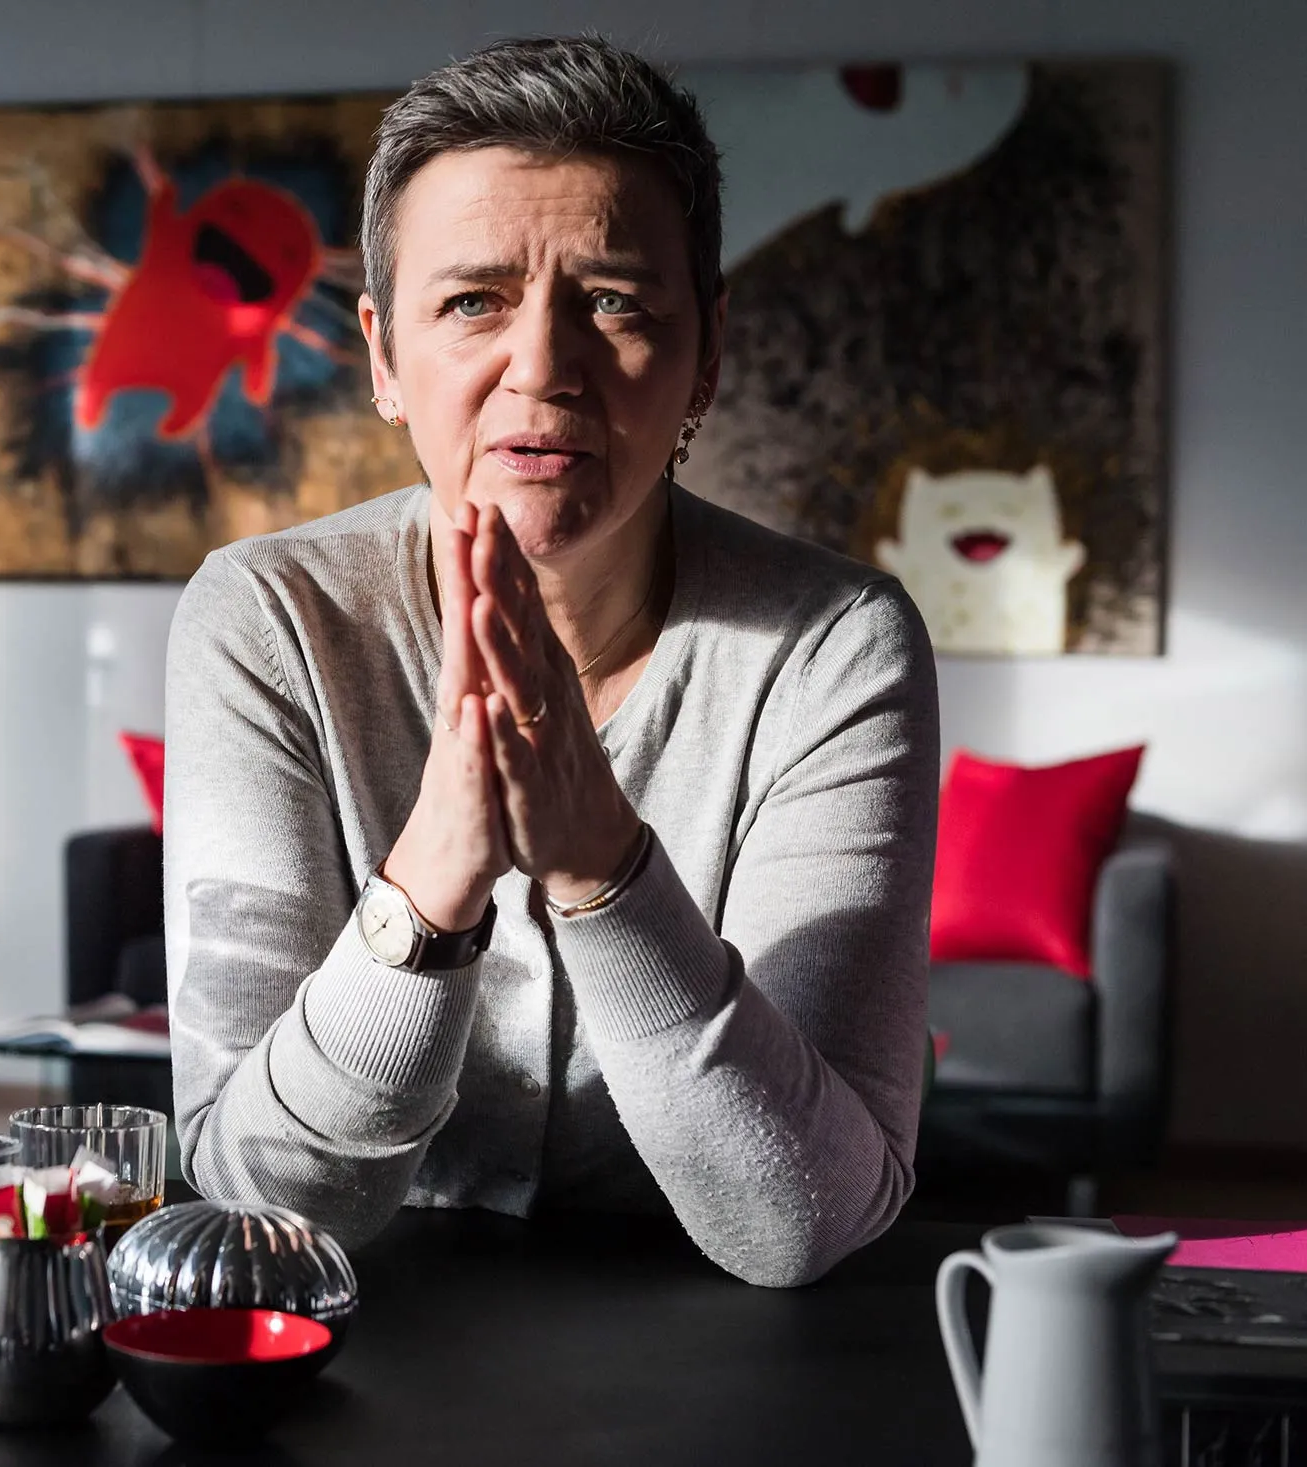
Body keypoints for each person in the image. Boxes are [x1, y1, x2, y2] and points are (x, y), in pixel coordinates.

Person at [164, 35, 939, 1288]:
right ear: (380, 356)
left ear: (709, 352)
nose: (541, 367)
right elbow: (253, 1194)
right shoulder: (270, 620)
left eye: (617, 301)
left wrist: (602, 868)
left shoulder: (832, 647)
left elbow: (805, 1218)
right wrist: (428, 885)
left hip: (725, 1355)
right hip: (365, 1330)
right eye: (472, 302)